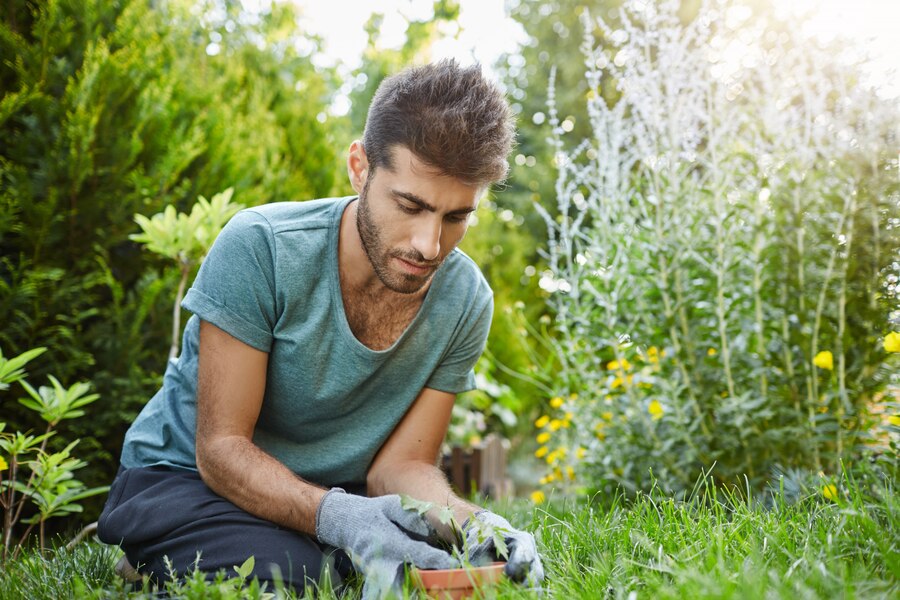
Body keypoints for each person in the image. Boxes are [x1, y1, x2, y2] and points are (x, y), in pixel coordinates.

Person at [97, 59, 544, 598]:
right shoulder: (260, 247)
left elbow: (399, 469)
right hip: (186, 479)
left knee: (417, 565)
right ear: (360, 168)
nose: (430, 245)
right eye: (410, 205)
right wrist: (343, 519)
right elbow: (220, 449)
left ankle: (252, 550)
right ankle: (181, 553)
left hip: (334, 496)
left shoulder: (466, 300)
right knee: (308, 575)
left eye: (456, 217)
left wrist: (475, 525)